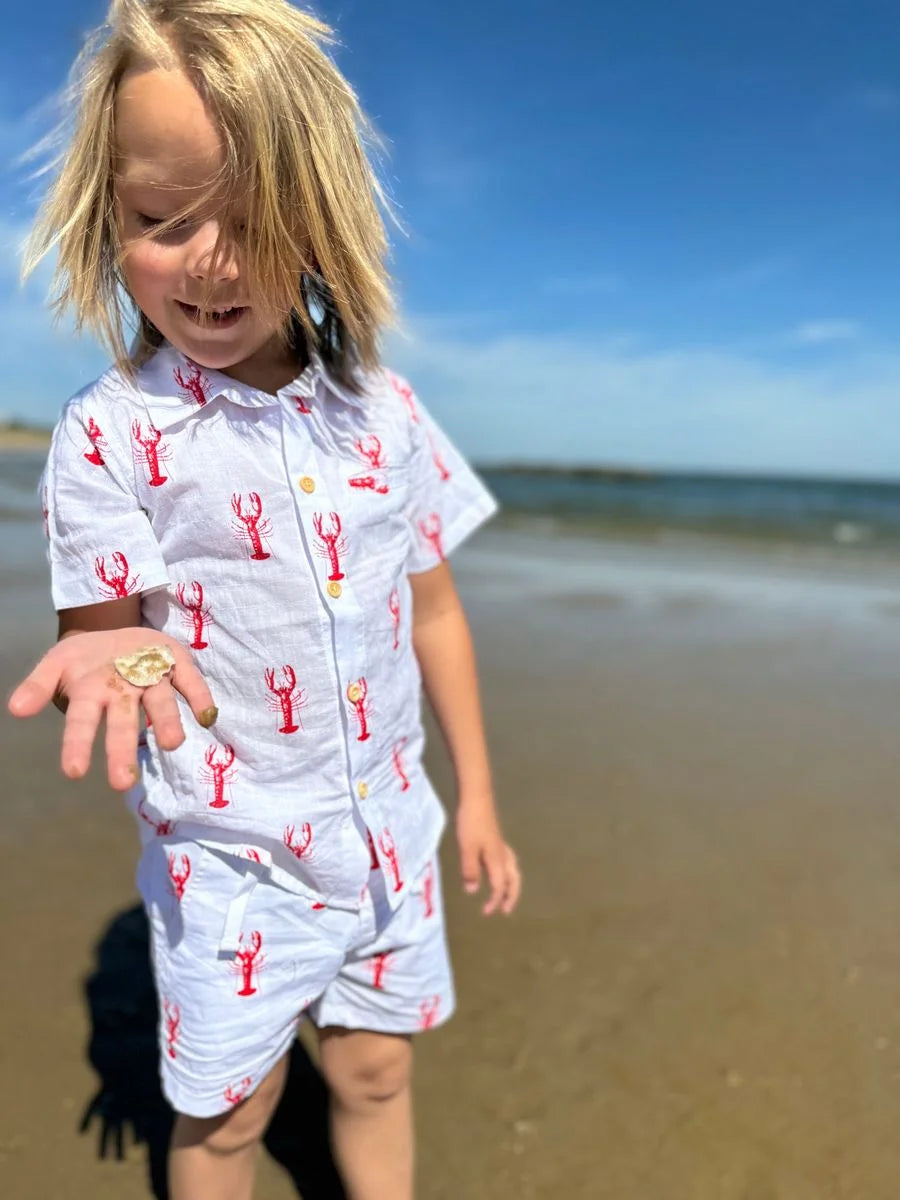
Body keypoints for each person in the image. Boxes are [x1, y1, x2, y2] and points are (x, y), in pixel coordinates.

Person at [7, 2, 522, 1197]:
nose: (213, 259)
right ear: (107, 217)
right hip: (232, 862)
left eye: (255, 218)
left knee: (377, 1075)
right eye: (162, 219)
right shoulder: (112, 437)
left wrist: (479, 795)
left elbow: (433, 610)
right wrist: (111, 654)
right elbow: (112, 634)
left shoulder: (384, 415)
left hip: (390, 837)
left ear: (324, 220)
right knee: (232, 1120)